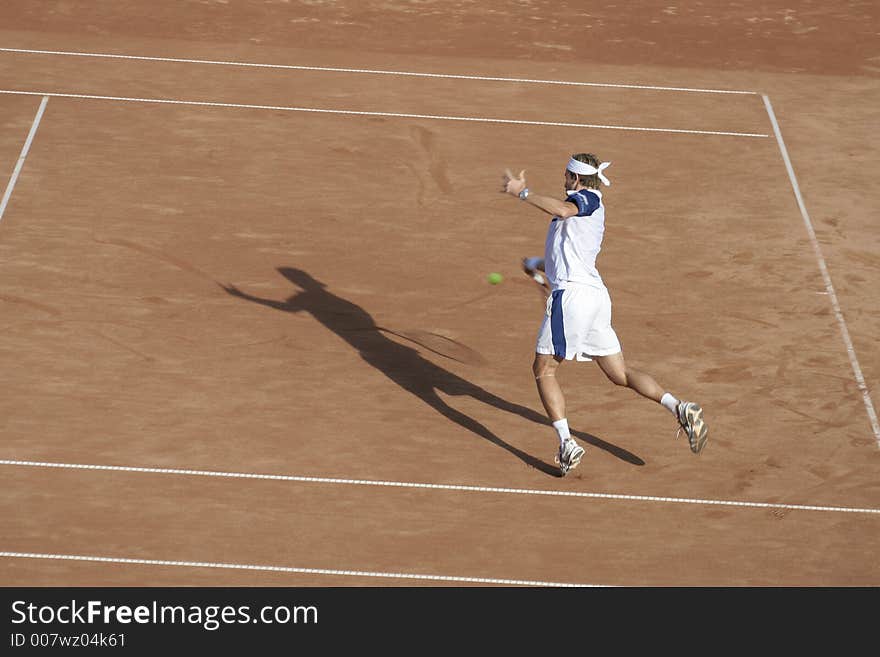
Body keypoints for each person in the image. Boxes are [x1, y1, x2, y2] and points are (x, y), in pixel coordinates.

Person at [501, 153, 708, 476]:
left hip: (574, 298)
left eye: (566, 176)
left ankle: (567, 442)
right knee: (619, 374)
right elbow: (567, 254)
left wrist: (522, 193)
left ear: (577, 179)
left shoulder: (584, 200)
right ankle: (678, 407)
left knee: (544, 370)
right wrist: (537, 265)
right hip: (593, 297)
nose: (563, 181)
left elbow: (561, 208)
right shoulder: (585, 206)